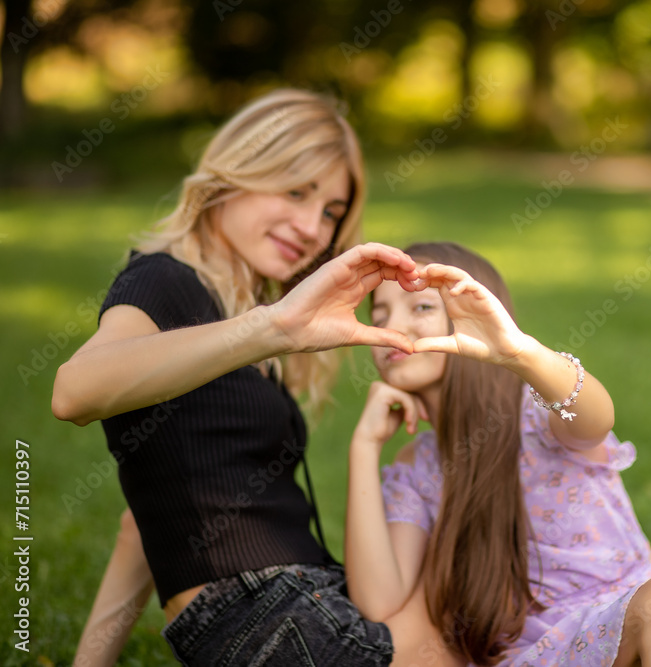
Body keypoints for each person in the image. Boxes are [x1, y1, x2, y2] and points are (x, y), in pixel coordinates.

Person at [52, 88, 427, 666]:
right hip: (265, 612)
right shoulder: (165, 280)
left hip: (300, 603)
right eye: (296, 191)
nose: (312, 227)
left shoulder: (237, 309)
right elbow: (75, 391)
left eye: (330, 212)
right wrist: (270, 327)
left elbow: (142, 523)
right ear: (236, 173)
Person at [345, 241, 651, 667]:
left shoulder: (535, 413)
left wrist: (519, 352)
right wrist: (364, 447)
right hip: (554, 645)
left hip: (646, 608)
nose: (391, 326)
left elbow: (596, 418)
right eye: (379, 313)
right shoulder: (419, 465)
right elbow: (380, 602)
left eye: (421, 306)